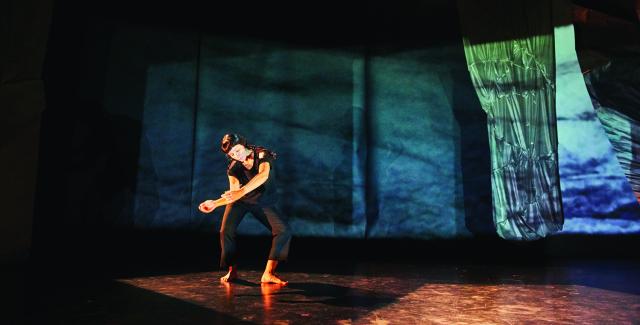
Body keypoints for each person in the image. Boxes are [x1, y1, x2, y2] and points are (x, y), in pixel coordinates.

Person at [199, 133, 291, 285]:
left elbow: (263, 175)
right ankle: (232, 270)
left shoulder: (262, 155)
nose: (236, 156)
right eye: (232, 154)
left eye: (238, 150)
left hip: (263, 201)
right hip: (241, 201)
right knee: (225, 231)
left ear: (244, 144)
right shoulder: (233, 168)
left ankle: (268, 273)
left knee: (284, 231)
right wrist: (215, 203)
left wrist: (241, 191)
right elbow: (233, 194)